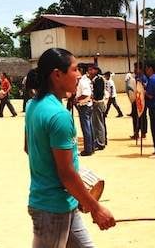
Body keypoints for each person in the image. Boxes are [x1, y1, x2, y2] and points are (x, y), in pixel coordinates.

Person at [25, 48, 115, 247]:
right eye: (74, 70)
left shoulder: (32, 105)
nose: (78, 75)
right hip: (53, 209)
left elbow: (28, 148)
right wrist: (96, 208)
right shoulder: (60, 115)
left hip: (63, 202)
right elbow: (66, 173)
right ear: (57, 74)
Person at [75, 66, 94, 156]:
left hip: (84, 106)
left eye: (76, 70)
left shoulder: (83, 81)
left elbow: (86, 94)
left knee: (86, 128)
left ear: (80, 71)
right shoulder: (86, 80)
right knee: (89, 127)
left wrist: (76, 99)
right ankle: (91, 147)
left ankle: (88, 149)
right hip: (87, 105)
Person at [130, 62, 148, 139]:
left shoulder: (143, 77)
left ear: (140, 69)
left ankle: (142, 132)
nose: (134, 70)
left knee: (142, 116)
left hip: (141, 100)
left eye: (135, 68)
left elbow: (144, 88)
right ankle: (136, 132)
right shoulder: (136, 77)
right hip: (135, 99)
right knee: (135, 116)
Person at [91, 66, 107, 150]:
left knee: (99, 124)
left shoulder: (99, 79)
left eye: (92, 69)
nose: (90, 71)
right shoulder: (97, 78)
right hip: (98, 102)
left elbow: (99, 92)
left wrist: (94, 98)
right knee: (97, 123)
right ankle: (100, 141)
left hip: (98, 102)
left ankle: (101, 142)